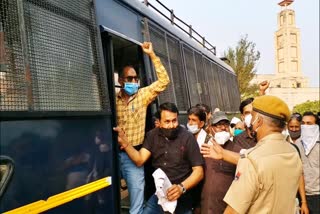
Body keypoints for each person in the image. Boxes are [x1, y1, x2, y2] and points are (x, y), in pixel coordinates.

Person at [203, 95, 302, 213]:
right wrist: (224, 154)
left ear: (258, 121)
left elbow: (233, 211)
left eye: (252, 116)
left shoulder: (252, 160)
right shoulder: (292, 152)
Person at [114, 102, 204, 214]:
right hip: (160, 196)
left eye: (174, 120)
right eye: (167, 121)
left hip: (182, 198)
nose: (172, 125)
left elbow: (199, 172)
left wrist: (181, 188)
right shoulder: (152, 136)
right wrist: (125, 143)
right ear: (159, 122)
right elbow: (139, 159)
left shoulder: (187, 138)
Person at [116, 42, 170, 214]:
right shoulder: (112, 99)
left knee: (136, 203)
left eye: (135, 79)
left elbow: (164, 81)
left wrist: (152, 55)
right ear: (120, 80)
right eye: (129, 79)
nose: (133, 82)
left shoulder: (142, 96)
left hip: (133, 157)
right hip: (111, 155)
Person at [201, 111, 241, 214]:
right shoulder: (205, 150)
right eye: (219, 125)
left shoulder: (237, 151)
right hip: (206, 207)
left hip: (228, 209)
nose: (223, 128)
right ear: (211, 128)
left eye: (225, 124)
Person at [295, 112, 320, 214]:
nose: (305, 126)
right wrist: (303, 201)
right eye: (303, 123)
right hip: (303, 195)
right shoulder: (298, 143)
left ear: (316, 125)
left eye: (309, 124)